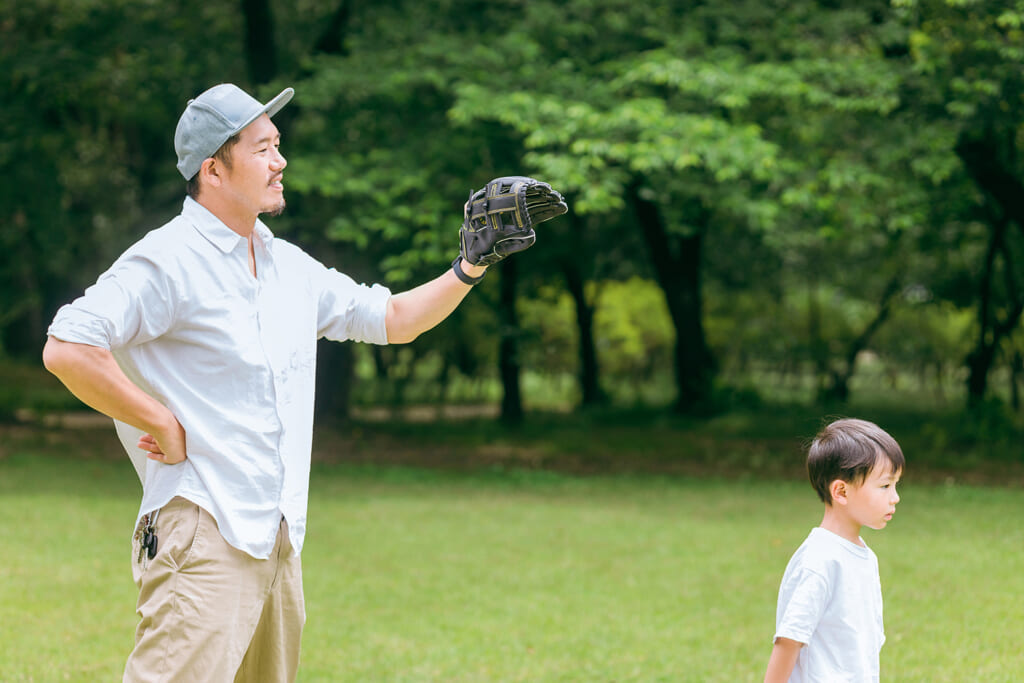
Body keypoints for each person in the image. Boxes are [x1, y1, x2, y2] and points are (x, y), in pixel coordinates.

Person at [41, 83, 534, 682]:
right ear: (213, 171)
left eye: (278, 146)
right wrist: (160, 420)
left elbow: (395, 321)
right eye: (262, 149)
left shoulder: (287, 267)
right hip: (201, 532)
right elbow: (68, 347)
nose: (280, 162)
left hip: (276, 539)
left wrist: (470, 265)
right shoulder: (166, 260)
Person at [763, 418, 904, 683]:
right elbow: (789, 639)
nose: (895, 497)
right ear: (841, 491)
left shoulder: (864, 556)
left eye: (896, 485)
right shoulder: (820, 560)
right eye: (885, 485)